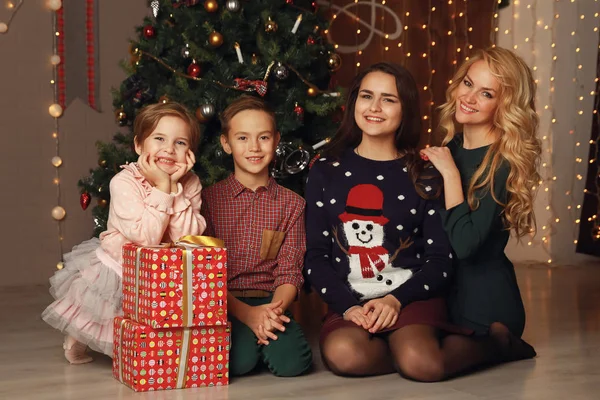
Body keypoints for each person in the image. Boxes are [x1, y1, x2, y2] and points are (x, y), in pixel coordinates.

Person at [42, 102, 206, 364]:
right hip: (120, 263)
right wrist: (163, 188)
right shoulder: (124, 182)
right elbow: (147, 238)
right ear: (139, 146)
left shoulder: (191, 183)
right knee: (98, 312)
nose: (169, 149)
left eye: (180, 143)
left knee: (152, 324)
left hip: (163, 268)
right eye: (159, 138)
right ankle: (76, 339)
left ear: (190, 153)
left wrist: (175, 187)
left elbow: (188, 237)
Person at [421, 47, 542, 342]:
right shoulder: (453, 147)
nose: (469, 97)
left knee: (433, 362)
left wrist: (450, 174)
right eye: (468, 83)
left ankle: (510, 347)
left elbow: (465, 245)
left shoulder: (501, 162)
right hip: (446, 293)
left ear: (505, 105)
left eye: (487, 94)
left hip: (487, 306)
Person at [201, 95, 312, 377]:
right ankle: (252, 340)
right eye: (242, 138)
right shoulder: (208, 201)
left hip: (272, 301)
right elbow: (205, 273)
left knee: (294, 363)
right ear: (226, 144)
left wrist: (271, 313)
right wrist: (248, 316)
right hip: (225, 303)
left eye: (263, 137)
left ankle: (264, 336)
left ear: (276, 140)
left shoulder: (292, 205)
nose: (254, 147)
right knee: (238, 363)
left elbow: (290, 270)